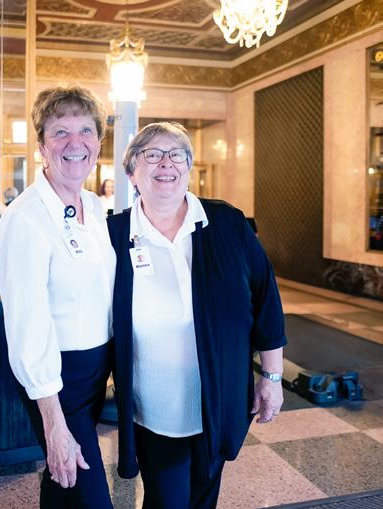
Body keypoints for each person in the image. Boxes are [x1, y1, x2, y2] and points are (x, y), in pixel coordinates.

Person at [107, 122, 287, 509]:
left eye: (177, 155)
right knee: (167, 500)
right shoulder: (114, 235)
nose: (166, 163)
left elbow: (266, 299)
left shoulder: (226, 223)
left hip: (219, 400)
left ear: (189, 167)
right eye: (152, 155)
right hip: (152, 408)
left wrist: (272, 377)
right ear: (131, 172)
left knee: (204, 498)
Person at [0, 85, 116, 509]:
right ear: (42, 146)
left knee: (63, 481)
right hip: (56, 377)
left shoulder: (95, 208)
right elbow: (28, 323)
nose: (74, 142)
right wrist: (53, 421)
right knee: (85, 487)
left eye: (86, 130)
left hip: (95, 370)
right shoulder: (25, 218)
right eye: (60, 131)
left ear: (98, 143)